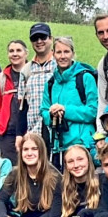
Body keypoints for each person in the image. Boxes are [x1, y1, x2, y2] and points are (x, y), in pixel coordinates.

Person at [40, 36, 97, 168]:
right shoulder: (51, 83)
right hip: (58, 146)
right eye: (59, 52)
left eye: (66, 52)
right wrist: (52, 114)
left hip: (82, 144)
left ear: (73, 53)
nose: (63, 56)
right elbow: (43, 110)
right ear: (53, 54)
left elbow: (93, 111)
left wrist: (65, 110)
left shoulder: (85, 78)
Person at [0, 40, 29, 163]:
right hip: (7, 134)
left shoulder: (34, 74)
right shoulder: (2, 78)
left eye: (18, 50)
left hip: (30, 131)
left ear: (26, 53)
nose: (15, 54)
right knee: (10, 172)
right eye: (11, 51)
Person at [23, 23, 56, 135]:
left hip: (57, 131)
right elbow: (23, 106)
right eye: (35, 38)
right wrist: (19, 134)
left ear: (51, 39)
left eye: (43, 37)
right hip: (34, 132)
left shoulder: (60, 65)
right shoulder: (26, 69)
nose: (39, 41)